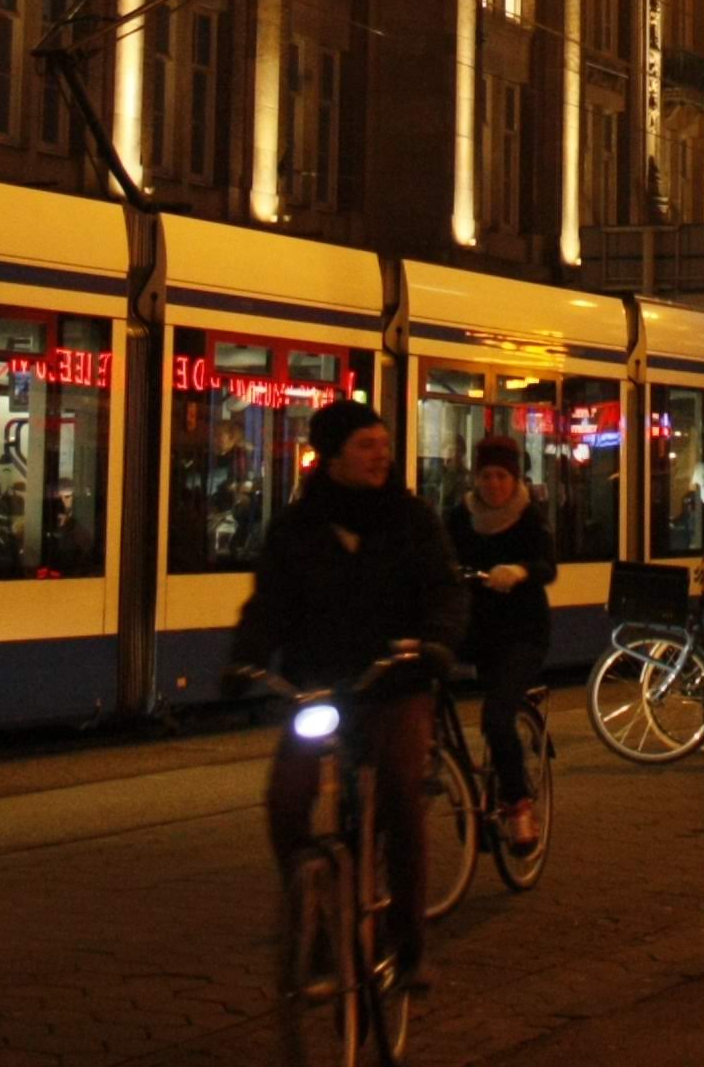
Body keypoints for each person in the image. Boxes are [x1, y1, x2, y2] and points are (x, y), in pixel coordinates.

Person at [230, 398, 467, 985]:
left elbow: (445, 589)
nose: (381, 455)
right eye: (366, 445)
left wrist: (436, 642)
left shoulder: (412, 520)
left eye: (384, 445)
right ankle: (311, 919)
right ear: (331, 455)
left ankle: (410, 945)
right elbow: (269, 605)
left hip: (395, 682)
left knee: (400, 798)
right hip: (321, 687)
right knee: (286, 797)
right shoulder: (297, 528)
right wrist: (246, 660)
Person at [446, 436, 556, 849]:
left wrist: (521, 571)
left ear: (515, 478)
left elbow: (548, 566)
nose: (493, 484)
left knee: (496, 717)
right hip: (474, 631)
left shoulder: (530, 516)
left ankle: (518, 805)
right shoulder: (460, 517)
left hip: (522, 633)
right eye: (486, 476)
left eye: (501, 476)